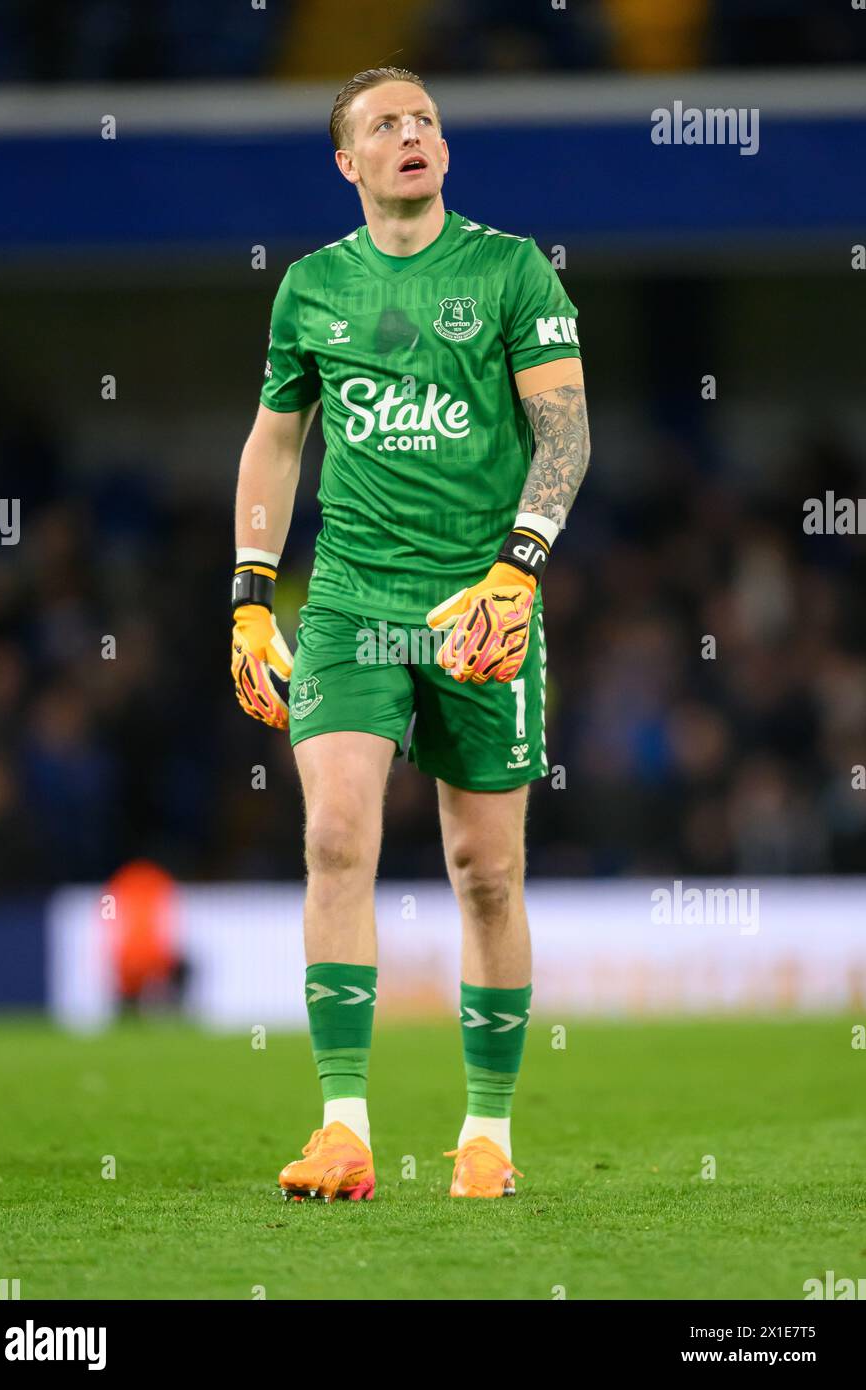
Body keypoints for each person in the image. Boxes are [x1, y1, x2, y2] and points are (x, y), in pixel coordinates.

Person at [231, 67, 590, 1200]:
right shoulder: (310, 290)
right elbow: (276, 443)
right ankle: (343, 1127)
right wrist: (249, 591)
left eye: (426, 118)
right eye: (384, 124)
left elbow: (565, 432)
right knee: (336, 835)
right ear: (348, 163)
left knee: (485, 870)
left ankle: (485, 1133)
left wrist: (518, 570)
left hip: (480, 605)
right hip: (350, 603)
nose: (412, 133)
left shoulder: (508, 268)